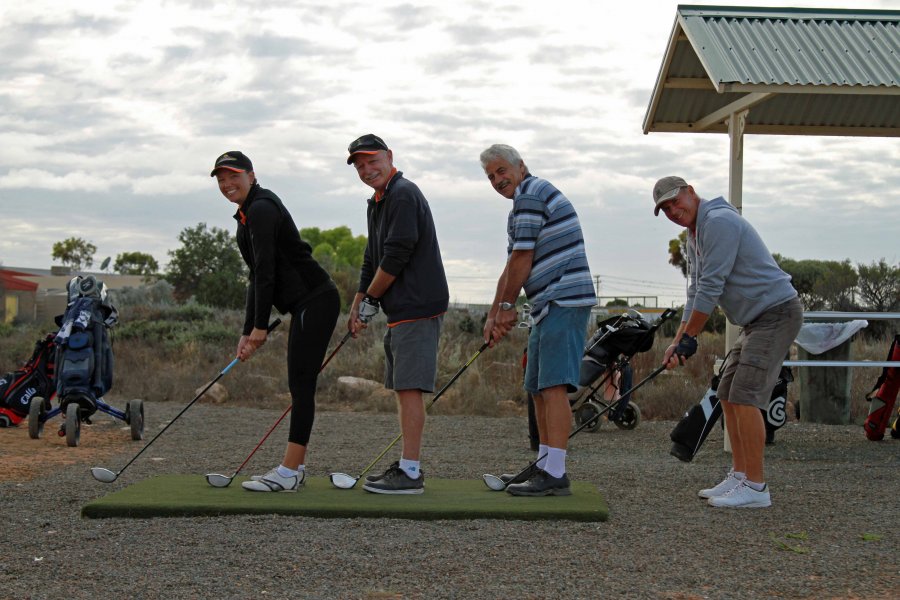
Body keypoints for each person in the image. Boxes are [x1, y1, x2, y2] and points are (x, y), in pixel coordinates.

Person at [652, 176, 802, 508]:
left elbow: (711, 287)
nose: (673, 210)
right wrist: (677, 341)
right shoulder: (694, 236)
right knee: (728, 394)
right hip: (755, 321)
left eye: (676, 201)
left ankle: (756, 488)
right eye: (665, 209)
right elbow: (694, 293)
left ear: (691, 192)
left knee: (746, 397)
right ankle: (740, 475)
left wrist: (690, 337)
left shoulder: (718, 222)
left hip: (776, 314)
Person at [210, 151, 340, 492]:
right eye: (221, 179)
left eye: (233, 176)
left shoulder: (262, 208)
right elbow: (256, 276)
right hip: (304, 305)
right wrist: (248, 329)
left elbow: (267, 270)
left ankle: (291, 470)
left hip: (316, 299)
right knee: (299, 382)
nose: (227, 184)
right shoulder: (246, 214)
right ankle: (292, 469)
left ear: (251, 175)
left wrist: (260, 328)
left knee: (301, 383)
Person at [480, 144, 596, 497]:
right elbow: (512, 264)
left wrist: (507, 306)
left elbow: (523, 258)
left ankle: (555, 473)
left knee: (553, 386)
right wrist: (493, 314)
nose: (498, 180)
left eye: (502, 171)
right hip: (547, 305)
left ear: (521, 167)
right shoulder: (519, 208)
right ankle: (545, 464)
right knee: (536, 388)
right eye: (491, 177)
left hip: (565, 299)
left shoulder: (531, 195)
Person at [345, 134, 449, 495]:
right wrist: (359, 300)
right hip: (400, 310)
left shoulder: (403, 193)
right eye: (359, 165)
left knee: (409, 390)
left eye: (372, 161)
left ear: (389, 157)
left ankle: (410, 472)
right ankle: (406, 467)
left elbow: (397, 253)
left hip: (417, 306)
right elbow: (372, 256)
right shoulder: (378, 201)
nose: (366, 169)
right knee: (403, 389)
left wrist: (371, 299)